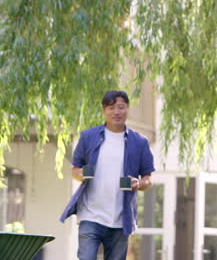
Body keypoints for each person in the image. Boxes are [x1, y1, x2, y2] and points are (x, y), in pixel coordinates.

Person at [60, 90, 155, 260]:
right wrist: (81, 174)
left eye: (121, 107)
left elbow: (148, 179)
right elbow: (75, 169)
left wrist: (139, 184)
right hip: (90, 216)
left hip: (121, 219)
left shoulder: (140, 142)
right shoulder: (88, 137)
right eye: (111, 108)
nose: (116, 112)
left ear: (127, 109)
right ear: (104, 110)